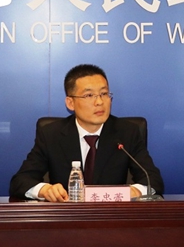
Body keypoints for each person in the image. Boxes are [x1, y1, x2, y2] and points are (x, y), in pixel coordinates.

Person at [9, 64, 164, 201]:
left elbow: (153, 181)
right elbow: (20, 181)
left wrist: (134, 191)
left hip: (111, 219)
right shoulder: (51, 134)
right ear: (70, 103)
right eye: (89, 95)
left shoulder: (127, 132)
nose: (99, 102)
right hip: (67, 218)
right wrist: (45, 190)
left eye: (104, 94)